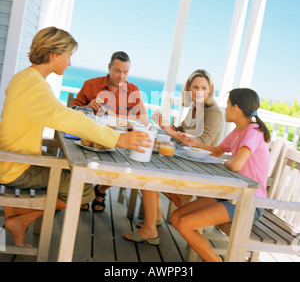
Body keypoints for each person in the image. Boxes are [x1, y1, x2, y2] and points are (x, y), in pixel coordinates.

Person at [0, 27, 151, 247]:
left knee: (72, 172)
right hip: (17, 167)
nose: (69, 62)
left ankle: (17, 217)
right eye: (68, 56)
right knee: (84, 190)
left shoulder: (24, 78)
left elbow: (61, 113)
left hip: (13, 158)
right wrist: (118, 139)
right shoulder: (35, 87)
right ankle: (19, 218)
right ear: (54, 55)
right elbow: (67, 118)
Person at [123, 69, 223, 245]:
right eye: (195, 87)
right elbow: (182, 132)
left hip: (201, 170)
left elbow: (198, 142)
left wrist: (169, 130)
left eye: (203, 87)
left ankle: (150, 230)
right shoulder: (195, 108)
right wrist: (166, 126)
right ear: (189, 89)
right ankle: (155, 218)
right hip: (187, 162)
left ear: (210, 89)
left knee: (149, 173)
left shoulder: (213, 112)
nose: (199, 91)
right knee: (147, 164)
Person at [170, 88, 270, 262]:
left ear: (236, 108)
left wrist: (226, 162)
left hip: (248, 203)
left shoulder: (253, 132)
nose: (225, 109)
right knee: (176, 217)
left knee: (185, 223)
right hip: (232, 196)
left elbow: (236, 164)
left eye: (227, 105)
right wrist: (195, 143)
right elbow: (216, 151)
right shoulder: (239, 130)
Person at [72, 51, 149, 212]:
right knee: (81, 157)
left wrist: (128, 121)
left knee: (129, 162)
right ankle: (85, 190)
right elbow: (72, 111)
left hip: (119, 141)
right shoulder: (90, 84)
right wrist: (87, 107)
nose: (122, 76)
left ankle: (101, 190)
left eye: (126, 72)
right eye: (117, 71)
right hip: (91, 137)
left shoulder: (133, 90)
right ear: (109, 67)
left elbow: (144, 121)